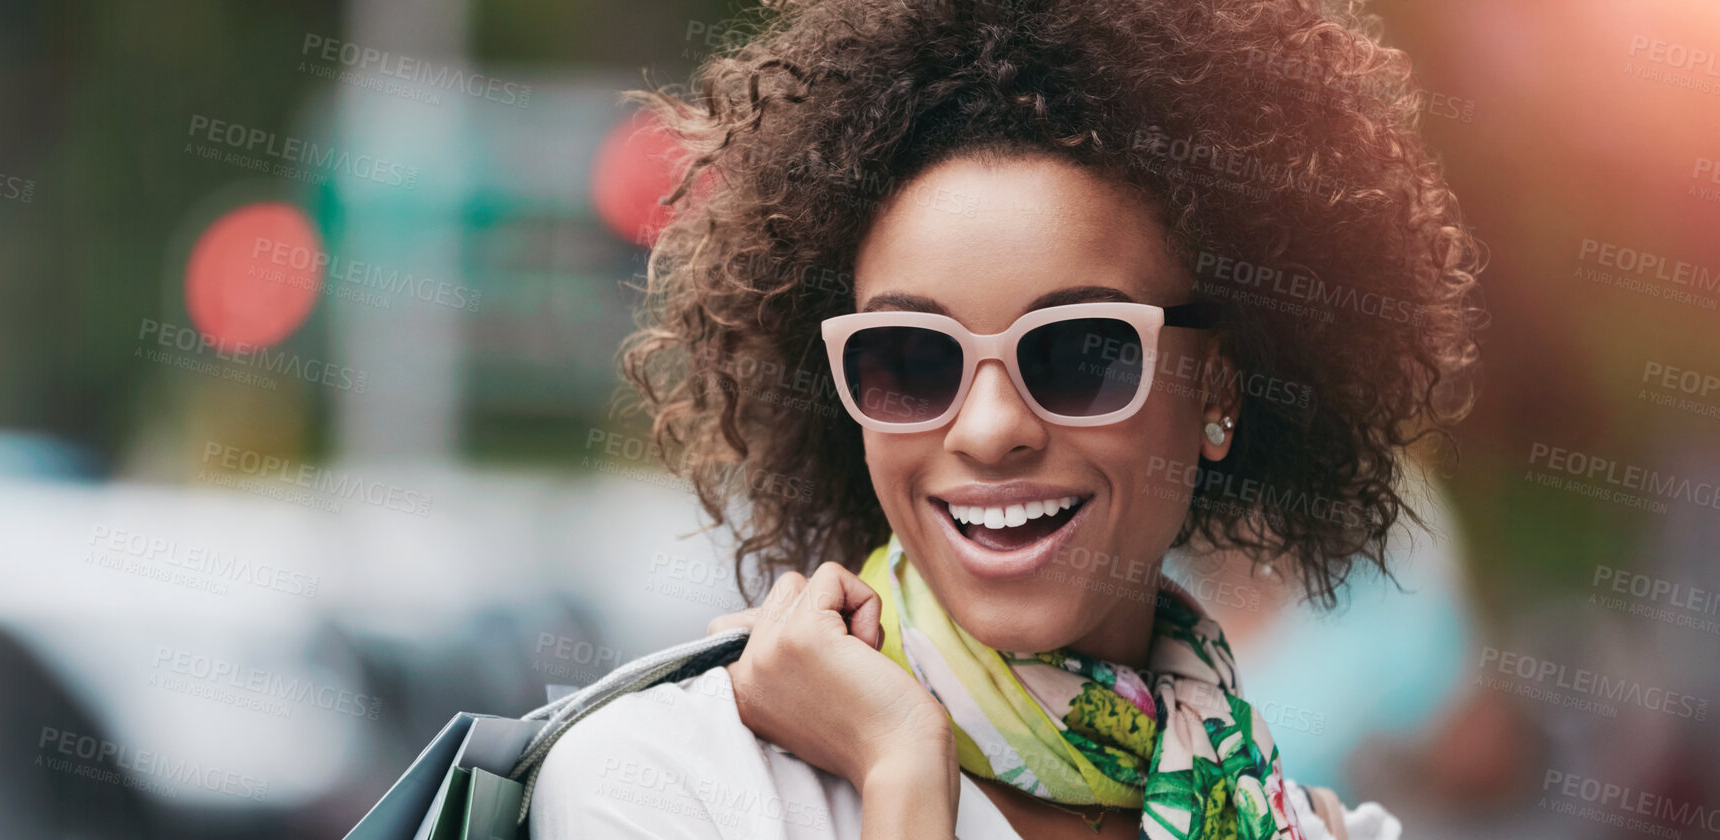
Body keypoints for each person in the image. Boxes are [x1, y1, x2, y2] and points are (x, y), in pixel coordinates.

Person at [528, 0, 1483, 837]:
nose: (988, 430)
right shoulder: (660, 786)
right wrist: (902, 767)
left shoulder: (1304, 829)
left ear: (1218, 390)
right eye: (910, 359)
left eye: (1078, 353)